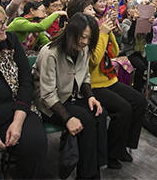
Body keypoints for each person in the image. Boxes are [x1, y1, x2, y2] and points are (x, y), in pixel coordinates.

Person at [71, 0, 148, 170]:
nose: (93, 11)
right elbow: (93, 60)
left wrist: (110, 30)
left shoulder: (97, 27)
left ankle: (122, 147)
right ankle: (111, 152)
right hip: (91, 85)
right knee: (123, 109)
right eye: (89, 8)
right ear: (79, 13)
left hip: (108, 78)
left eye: (93, 8)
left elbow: (112, 52)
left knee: (140, 101)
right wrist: (103, 32)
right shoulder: (79, 32)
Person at [32, 12, 108, 179]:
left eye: (89, 38)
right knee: (87, 120)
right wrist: (67, 118)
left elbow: (85, 75)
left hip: (69, 97)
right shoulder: (50, 53)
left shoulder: (83, 49)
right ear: (71, 32)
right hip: (48, 104)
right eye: (82, 37)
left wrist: (90, 96)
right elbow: (47, 95)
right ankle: (88, 175)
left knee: (100, 113)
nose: (86, 42)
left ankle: (96, 165)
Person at [0, 1, 47, 179]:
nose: (5, 27)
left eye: (4, 22)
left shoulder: (9, 41)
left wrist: (17, 122)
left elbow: (26, 80)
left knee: (34, 144)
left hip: (14, 109)